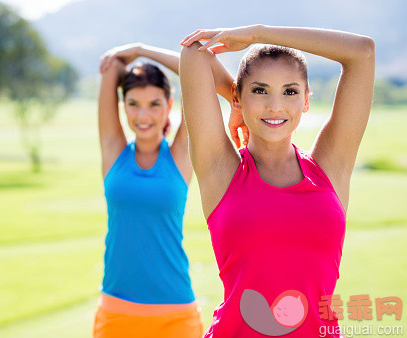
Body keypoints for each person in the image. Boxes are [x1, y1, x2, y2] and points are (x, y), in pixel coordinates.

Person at [179, 25, 374, 337]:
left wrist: (258, 34)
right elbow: (194, 51)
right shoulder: (221, 169)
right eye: (260, 90)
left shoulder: (330, 167)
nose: (275, 106)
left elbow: (362, 52)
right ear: (239, 97)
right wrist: (237, 101)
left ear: (306, 101)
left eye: (290, 91)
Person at [94, 43, 204, 338]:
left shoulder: (180, 155)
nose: (143, 115)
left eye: (154, 104)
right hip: (116, 313)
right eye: (133, 103)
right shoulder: (113, 150)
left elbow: (198, 73)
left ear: (170, 106)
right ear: (123, 106)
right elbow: (113, 64)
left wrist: (143, 49)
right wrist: (123, 58)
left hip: (176, 315)